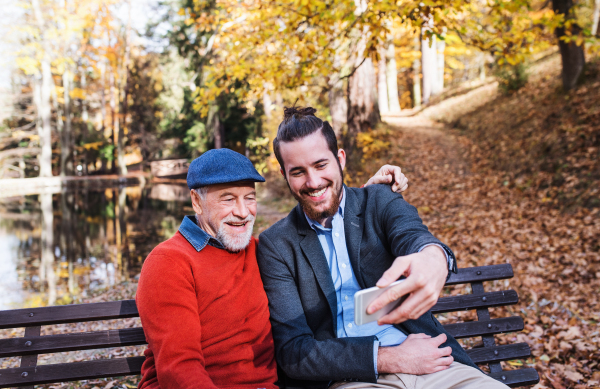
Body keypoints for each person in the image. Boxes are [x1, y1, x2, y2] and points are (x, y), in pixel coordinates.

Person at [256, 107, 510, 389]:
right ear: (284, 174)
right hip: (354, 378)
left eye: (320, 165)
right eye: (298, 172)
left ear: (340, 159)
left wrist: (434, 257)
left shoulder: (378, 201)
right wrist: (386, 359)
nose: (313, 182)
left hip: (432, 363)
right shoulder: (277, 244)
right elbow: (294, 352)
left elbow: (414, 235)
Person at [135, 148, 407, 389]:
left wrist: (366, 198)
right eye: (228, 199)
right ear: (197, 201)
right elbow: (179, 370)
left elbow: (323, 231)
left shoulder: (260, 251)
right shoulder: (169, 262)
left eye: (249, 198)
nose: (243, 212)